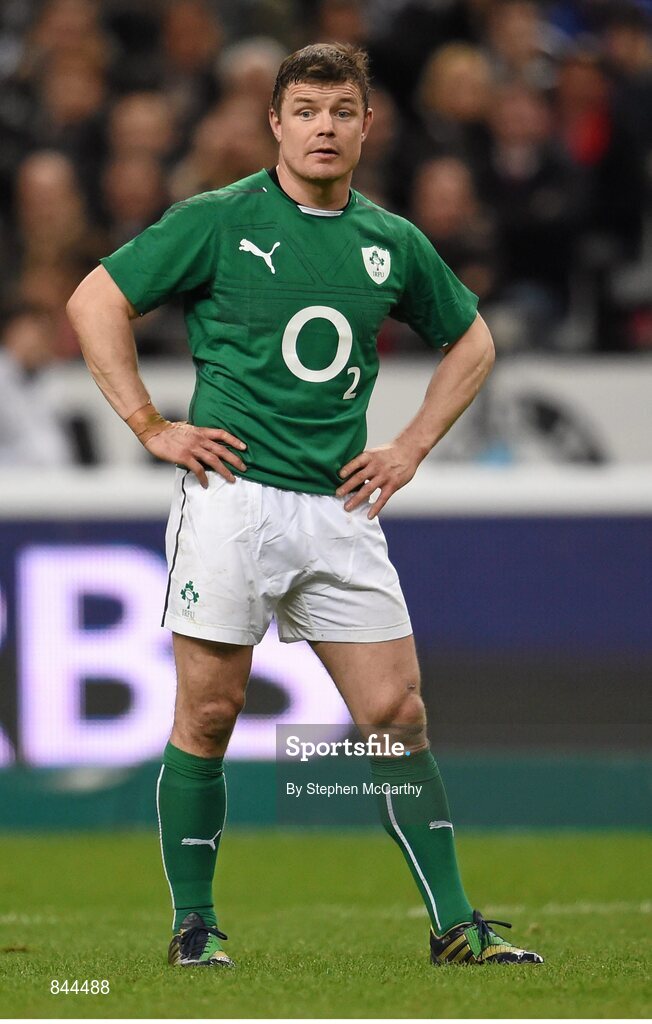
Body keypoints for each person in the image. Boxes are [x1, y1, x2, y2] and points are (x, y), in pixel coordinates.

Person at [67, 42, 543, 969]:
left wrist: (407, 447)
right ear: (275, 124)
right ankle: (194, 926)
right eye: (308, 111)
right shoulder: (217, 219)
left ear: (369, 127)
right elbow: (95, 300)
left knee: (396, 715)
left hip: (339, 510)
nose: (325, 127)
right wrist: (149, 423)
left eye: (343, 112)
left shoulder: (390, 241)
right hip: (233, 500)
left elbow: (473, 342)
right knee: (210, 713)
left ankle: (455, 926)